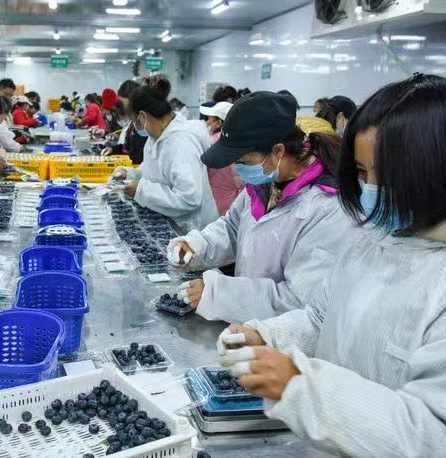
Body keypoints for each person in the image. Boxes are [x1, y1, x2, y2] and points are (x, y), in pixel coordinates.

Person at [217, 74, 446, 457]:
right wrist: (267, 336)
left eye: (387, 176)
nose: (369, 189)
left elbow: (430, 436)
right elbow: (323, 317)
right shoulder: (371, 240)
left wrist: (302, 387)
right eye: (361, 173)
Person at [170, 92, 356, 324]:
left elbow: (299, 301)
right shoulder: (264, 182)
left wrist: (219, 295)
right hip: (247, 325)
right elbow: (232, 227)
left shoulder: (327, 208)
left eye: (243, 161)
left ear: (278, 151)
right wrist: (198, 245)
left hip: (281, 339)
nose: (237, 169)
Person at [111, 78, 218, 232]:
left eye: (134, 121)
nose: (135, 127)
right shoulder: (156, 137)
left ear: (142, 117)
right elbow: (155, 170)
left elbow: (189, 198)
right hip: (167, 220)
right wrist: (130, 174)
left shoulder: (181, 143)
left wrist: (142, 191)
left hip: (186, 229)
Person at [199, 101, 243, 215]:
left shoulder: (211, 142)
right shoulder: (239, 142)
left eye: (210, 119)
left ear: (218, 123)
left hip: (217, 199)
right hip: (238, 198)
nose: (207, 122)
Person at [107, 80, 147, 164]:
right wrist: (113, 150)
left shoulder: (145, 123)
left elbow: (140, 156)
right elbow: (127, 147)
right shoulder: (133, 124)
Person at [0, 78, 23, 152]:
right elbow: (2, 135)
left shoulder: (4, 108)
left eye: (10, 96)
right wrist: (19, 148)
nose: (8, 98)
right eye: (6, 94)